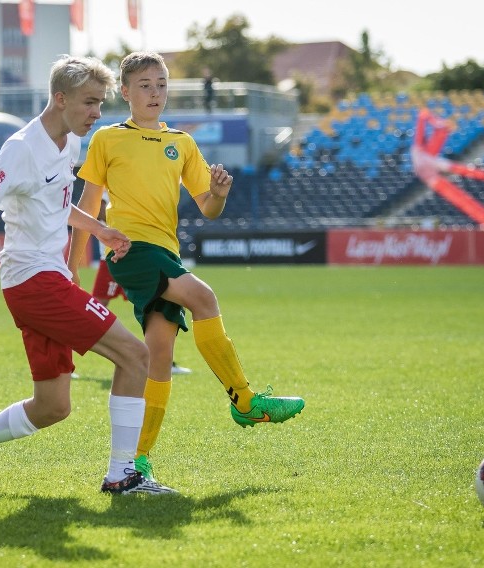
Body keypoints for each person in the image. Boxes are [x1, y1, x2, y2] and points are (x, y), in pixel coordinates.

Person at [0, 55, 176, 497]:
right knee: (136, 355)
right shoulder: (21, 147)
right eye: (90, 102)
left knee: (52, 406)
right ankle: (122, 475)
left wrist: (99, 228)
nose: (96, 113)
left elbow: (55, 200)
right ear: (59, 98)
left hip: (42, 282)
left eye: (100, 104)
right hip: (34, 282)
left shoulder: (67, 141)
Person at [68, 51, 305, 485]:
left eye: (161, 84)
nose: (155, 92)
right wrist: (73, 266)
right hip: (130, 250)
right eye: (144, 85)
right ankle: (245, 401)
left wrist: (219, 192)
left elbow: (208, 209)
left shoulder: (183, 142)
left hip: (166, 252)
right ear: (125, 93)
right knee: (204, 297)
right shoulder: (107, 138)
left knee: (158, 358)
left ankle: (134, 463)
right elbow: (88, 204)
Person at [91, 191, 191, 376]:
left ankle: (163, 361)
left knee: (154, 308)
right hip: (114, 259)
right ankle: (64, 359)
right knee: (94, 308)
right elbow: (99, 212)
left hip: (139, 255)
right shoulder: (110, 182)